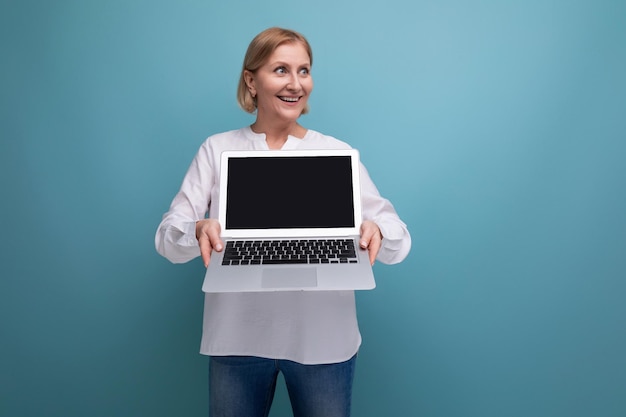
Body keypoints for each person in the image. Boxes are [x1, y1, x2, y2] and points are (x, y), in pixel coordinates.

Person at [155, 27, 411, 417]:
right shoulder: (218, 149)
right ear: (251, 81)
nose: (295, 84)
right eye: (280, 70)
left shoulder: (335, 152)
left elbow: (397, 239)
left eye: (304, 71)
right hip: (236, 340)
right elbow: (168, 240)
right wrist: (197, 229)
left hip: (324, 342)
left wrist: (377, 231)